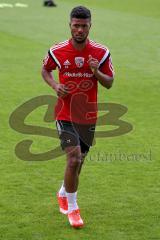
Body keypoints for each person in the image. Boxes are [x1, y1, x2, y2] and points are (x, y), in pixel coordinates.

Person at [41, 6, 115, 228]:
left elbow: (109, 82)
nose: (80, 30)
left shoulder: (101, 53)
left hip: (88, 115)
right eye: (76, 25)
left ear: (90, 25)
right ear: (70, 25)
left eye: (84, 26)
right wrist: (55, 85)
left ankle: (64, 191)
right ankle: (73, 209)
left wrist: (96, 72)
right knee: (73, 159)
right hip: (64, 113)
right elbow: (45, 70)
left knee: (78, 161)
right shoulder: (57, 51)